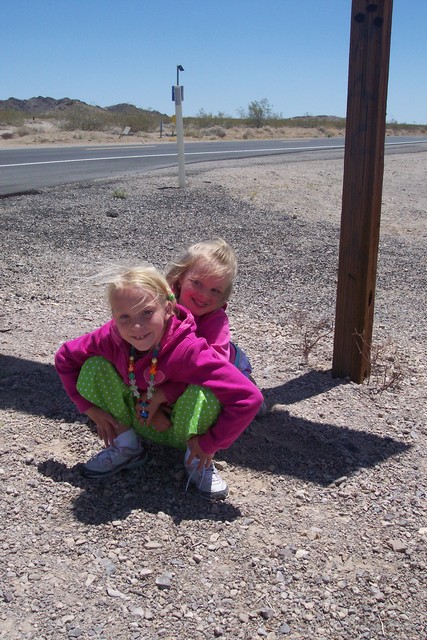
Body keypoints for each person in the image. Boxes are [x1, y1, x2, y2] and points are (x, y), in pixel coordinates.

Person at [55, 264, 263, 499]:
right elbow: (64, 358)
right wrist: (89, 409)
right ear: (113, 317)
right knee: (95, 368)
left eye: (146, 312)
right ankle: (127, 447)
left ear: (168, 308)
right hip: (141, 421)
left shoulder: (189, 350)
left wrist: (209, 443)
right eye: (124, 316)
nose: (137, 327)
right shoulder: (110, 336)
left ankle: (196, 461)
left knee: (208, 391)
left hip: (181, 429)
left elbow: (248, 397)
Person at [166, 238, 267, 414]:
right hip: (186, 361)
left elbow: (217, 366)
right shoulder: (164, 304)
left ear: (223, 295)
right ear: (181, 277)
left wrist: (172, 390)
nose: (204, 295)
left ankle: (250, 384)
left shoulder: (216, 319)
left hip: (231, 362)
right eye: (197, 282)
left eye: (215, 290)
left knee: (248, 404)